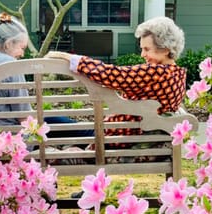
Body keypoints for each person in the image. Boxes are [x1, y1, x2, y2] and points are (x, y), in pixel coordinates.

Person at [45, 16, 186, 139]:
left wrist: (66, 56)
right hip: (121, 133)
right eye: (142, 49)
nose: (142, 55)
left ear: (166, 49)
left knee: (47, 121)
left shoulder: (158, 73)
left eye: (147, 49)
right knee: (53, 123)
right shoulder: (177, 75)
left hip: (112, 137)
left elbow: (113, 74)